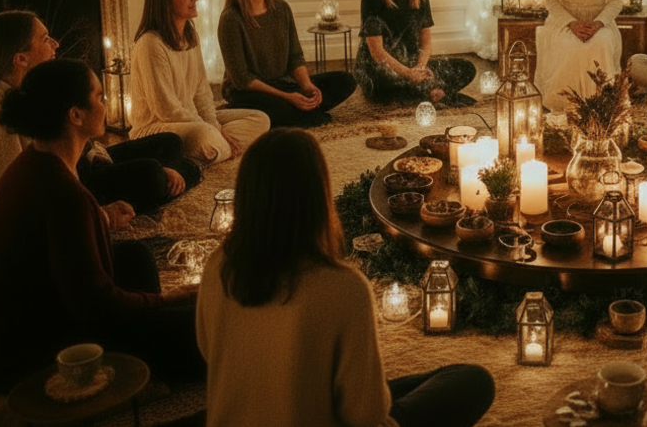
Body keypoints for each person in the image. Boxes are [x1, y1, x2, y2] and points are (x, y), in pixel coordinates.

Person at [197, 128, 495, 427]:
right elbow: (366, 414)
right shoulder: (342, 287)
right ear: (317, 194)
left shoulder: (219, 265)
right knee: (471, 380)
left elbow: (209, 351)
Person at [0, 59, 204, 392]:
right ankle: (140, 361)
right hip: (45, 350)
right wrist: (171, 298)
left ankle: (148, 341)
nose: (106, 104)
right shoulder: (61, 192)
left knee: (134, 254)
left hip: (50, 307)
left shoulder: (37, 161)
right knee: (205, 325)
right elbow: (96, 306)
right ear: (75, 115)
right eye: (99, 96)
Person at [0, 10, 199, 214]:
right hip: (75, 182)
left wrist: (94, 152)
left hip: (86, 162)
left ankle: (169, 180)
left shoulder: (38, 85)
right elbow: (17, 200)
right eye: (45, 39)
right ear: (21, 59)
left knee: (171, 142)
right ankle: (170, 179)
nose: (56, 43)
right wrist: (100, 214)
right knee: (154, 172)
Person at [130, 0, 269, 164]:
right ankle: (215, 148)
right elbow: (166, 110)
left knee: (260, 119)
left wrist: (215, 126)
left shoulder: (190, 37)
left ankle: (216, 148)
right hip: (157, 128)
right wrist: (211, 129)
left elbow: (202, 93)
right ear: (165, 0)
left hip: (192, 121)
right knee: (206, 136)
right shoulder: (150, 44)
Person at [218, 0, 356, 128]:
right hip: (247, 91)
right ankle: (299, 113)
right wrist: (288, 97)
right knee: (298, 114)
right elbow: (242, 79)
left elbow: (295, 57)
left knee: (346, 81)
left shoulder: (282, 8)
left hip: (283, 83)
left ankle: (300, 111)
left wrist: (307, 87)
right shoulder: (231, 19)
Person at [355, 0, 477, 107]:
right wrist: (407, 73)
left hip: (411, 63)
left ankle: (421, 93)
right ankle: (430, 92)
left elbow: (426, 38)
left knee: (466, 68)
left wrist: (420, 67)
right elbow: (377, 53)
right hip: (381, 69)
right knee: (384, 84)